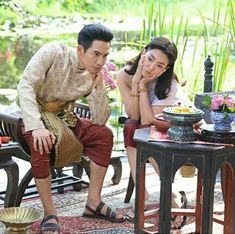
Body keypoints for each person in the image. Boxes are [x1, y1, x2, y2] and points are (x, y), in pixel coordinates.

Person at [6, 23, 125, 233]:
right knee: (40, 142)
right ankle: (50, 213)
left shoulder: (93, 74)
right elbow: (26, 86)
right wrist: (36, 127)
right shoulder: (53, 52)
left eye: (105, 56)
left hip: (63, 117)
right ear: (80, 50)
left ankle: (93, 203)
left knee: (104, 135)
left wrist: (98, 88)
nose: (101, 62)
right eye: (96, 54)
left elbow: (99, 120)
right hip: (28, 113)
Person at [116, 36, 191, 229]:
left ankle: (172, 195)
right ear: (143, 53)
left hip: (176, 128)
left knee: (138, 128)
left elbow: (150, 120)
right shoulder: (123, 75)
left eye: (159, 65)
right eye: (149, 59)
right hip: (143, 128)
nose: (151, 68)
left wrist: (142, 86)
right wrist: (135, 83)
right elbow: (133, 114)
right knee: (131, 127)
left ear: (165, 69)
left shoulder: (168, 85)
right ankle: (142, 191)